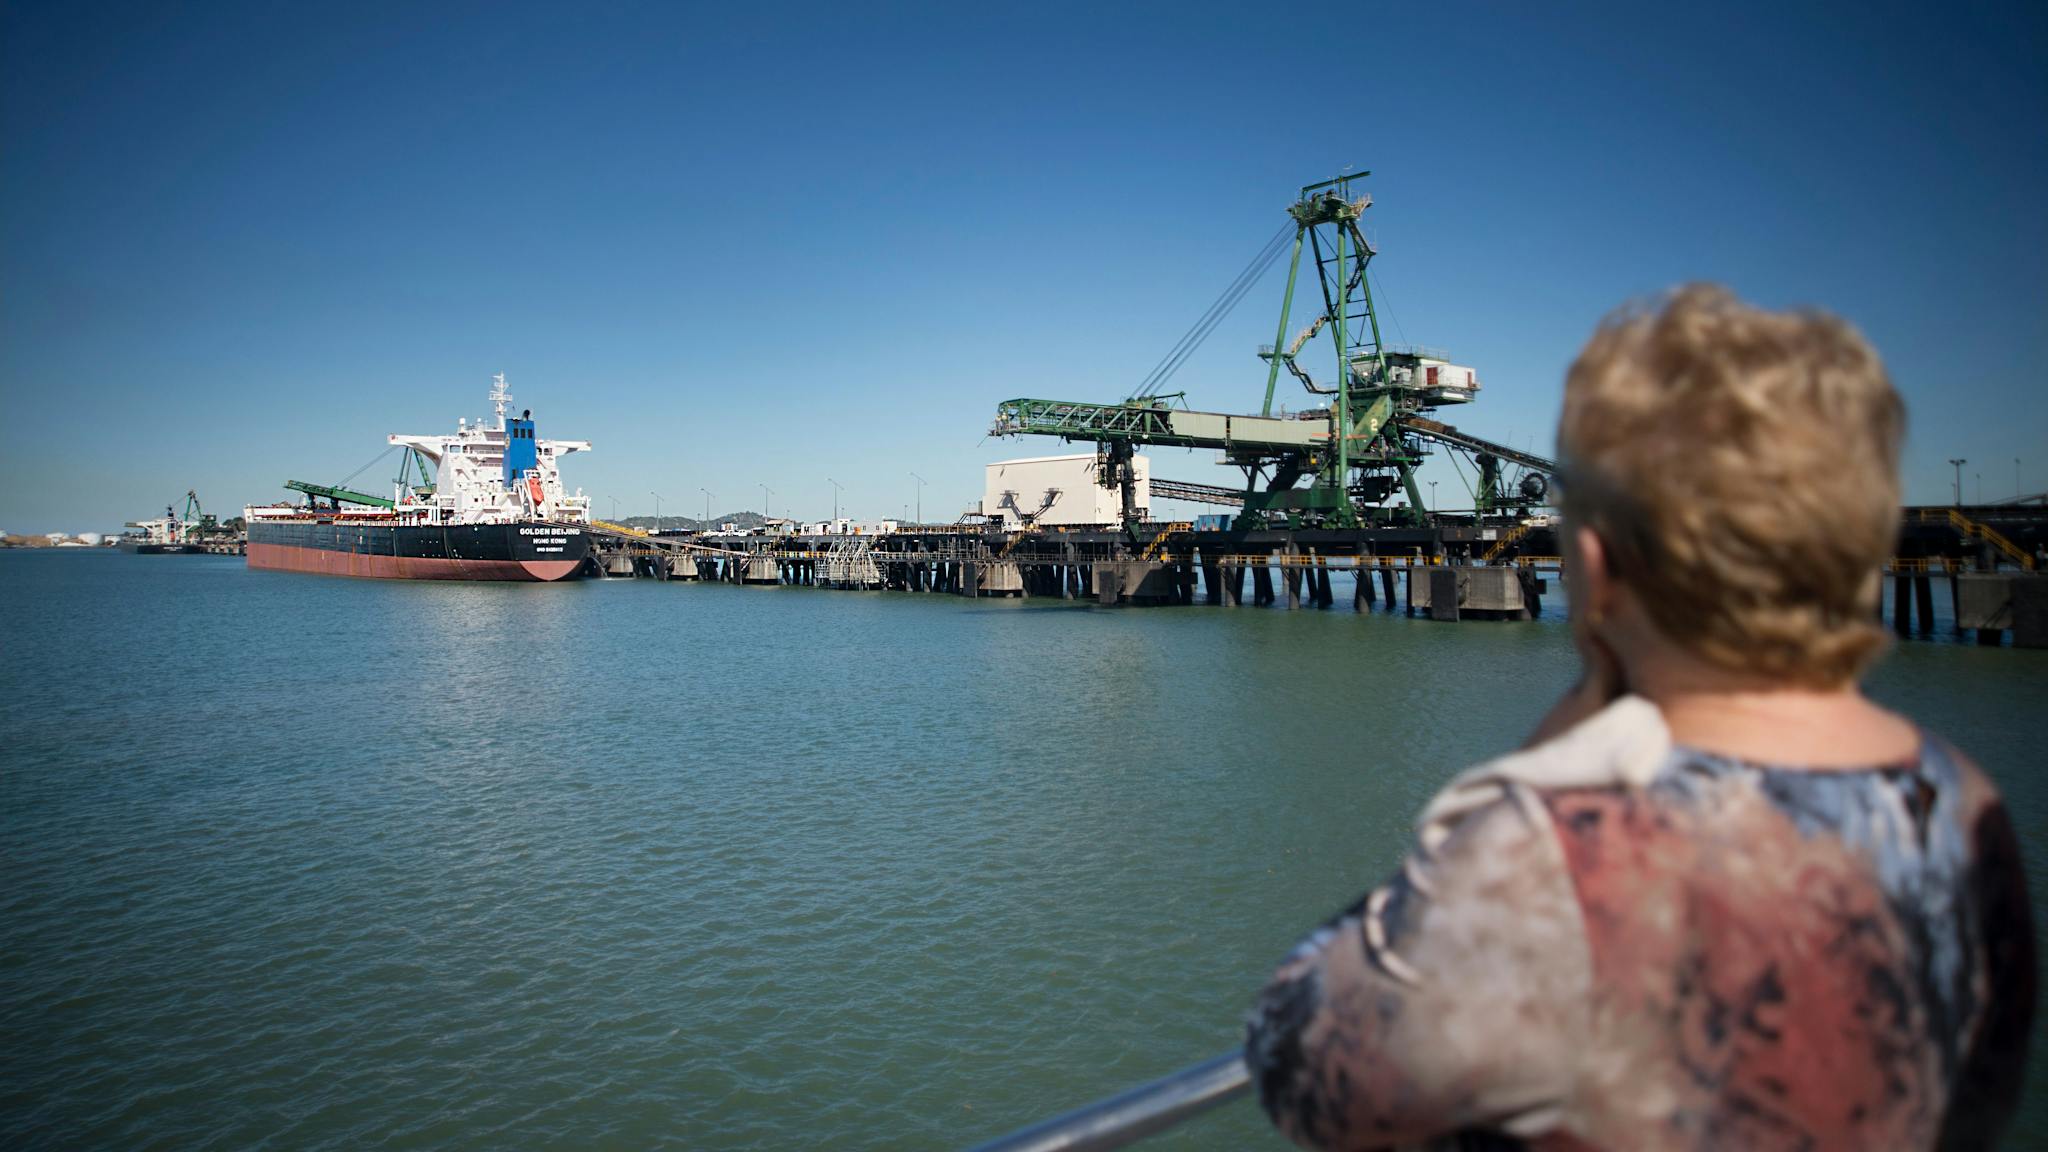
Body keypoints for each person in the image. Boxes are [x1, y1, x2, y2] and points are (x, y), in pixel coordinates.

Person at [1245, 286, 2035, 1151]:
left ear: (1596, 558)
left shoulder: (1553, 847)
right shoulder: (1965, 804)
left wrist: (1528, 773)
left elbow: (1298, 1064)